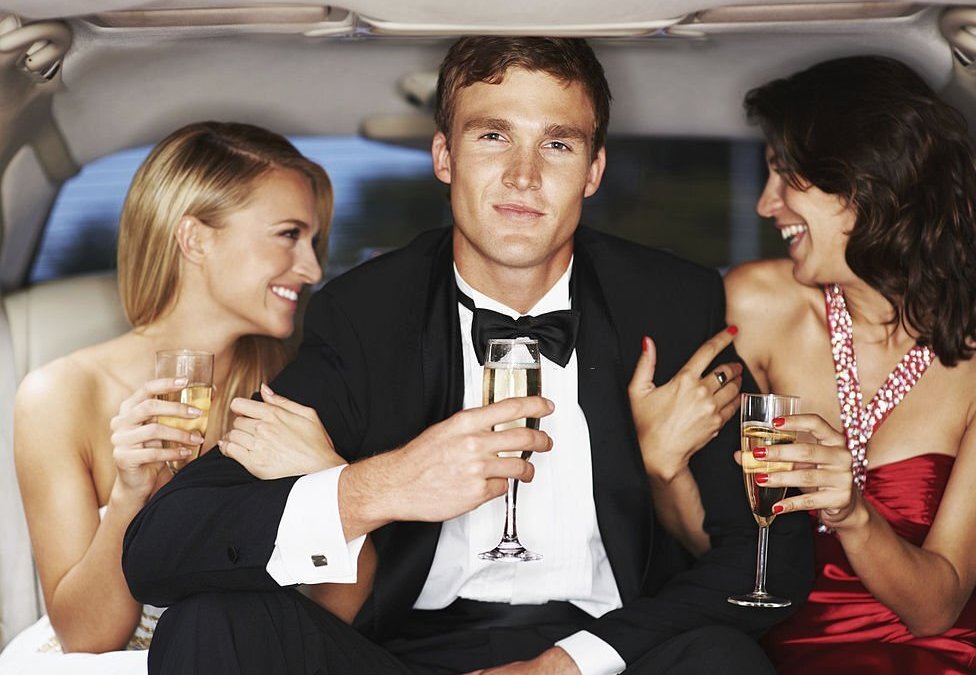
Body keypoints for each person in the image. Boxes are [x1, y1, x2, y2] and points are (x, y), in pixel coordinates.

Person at [122, 36, 814, 675]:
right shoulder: (368, 313)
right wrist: (381, 484)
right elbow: (160, 549)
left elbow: (772, 557)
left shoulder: (668, 302)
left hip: (608, 653)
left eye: (558, 145)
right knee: (211, 623)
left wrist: (573, 661)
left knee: (721, 659)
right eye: (492, 137)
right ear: (444, 157)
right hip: (401, 657)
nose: (523, 175)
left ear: (594, 170)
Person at [635, 55, 976, 673]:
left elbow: (937, 608)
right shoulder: (758, 304)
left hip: (933, 654)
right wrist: (663, 468)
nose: (767, 206)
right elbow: (730, 551)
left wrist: (853, 513)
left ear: (867, 184)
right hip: (767, 652)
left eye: (785, 177)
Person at [0, 121, 335, 674]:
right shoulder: (61, 396)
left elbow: (343, 614)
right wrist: (131, 498)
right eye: (288, 235)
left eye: (313, 241)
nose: (313, 268)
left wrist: (332, 485)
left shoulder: (300, 388)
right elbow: (86, 638)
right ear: (195, 239)